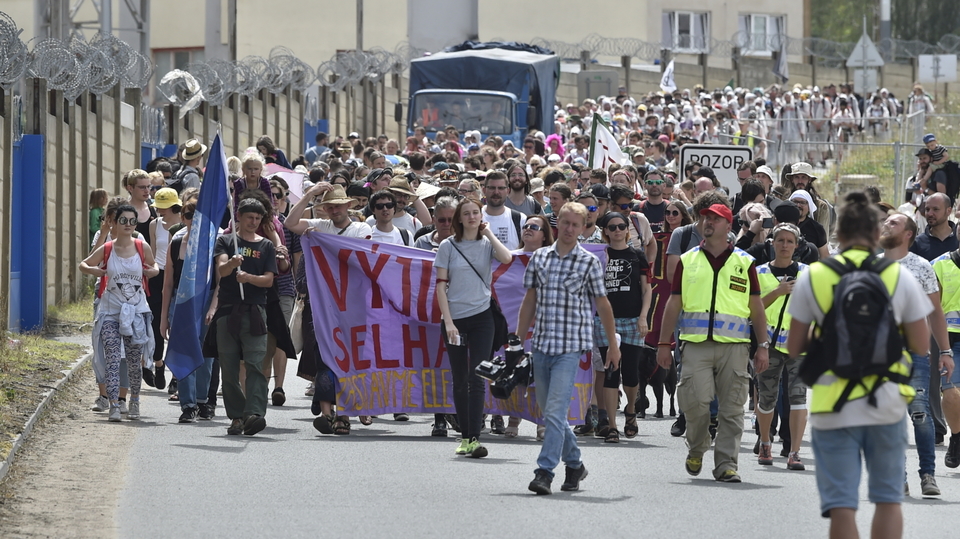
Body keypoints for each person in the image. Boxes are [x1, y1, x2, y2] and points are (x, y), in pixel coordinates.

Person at [787, 191, 930, 539]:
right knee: (888, 500)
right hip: (887, 400)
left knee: (842, 507)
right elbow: (921, 343)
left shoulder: (815, 275)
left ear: (838, 234)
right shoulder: (899, 276)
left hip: (832, 405)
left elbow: (794, 347)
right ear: (873, 233)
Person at [656, 202, 769, 483]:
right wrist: (662, 343)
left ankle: (726, 465)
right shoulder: (688, 260)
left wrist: (763, 345)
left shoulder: (744, 262)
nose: (708, 222)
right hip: (695, 344)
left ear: (728, 226)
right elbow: (674, 302)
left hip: (735, 346)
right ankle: (697, 446)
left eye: (715, 219)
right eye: (705, 218)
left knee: (732, 408)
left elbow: (756, 306)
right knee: (694, 403)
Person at [516, 203, 621, 495]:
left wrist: (613, 344)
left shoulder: (588, 262)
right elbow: (529, 302)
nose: (570, 229)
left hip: (571, 347)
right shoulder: (539, 258)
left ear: (583, 227)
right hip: (542, 345)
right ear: (556, 224)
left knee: (554, 409)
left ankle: (544, 471)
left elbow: (603, 304)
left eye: (576, 225)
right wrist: (517, 339)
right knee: (551, 413)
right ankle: (574, 464)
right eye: (566, 223)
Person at [286, 183, 373, 435]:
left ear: (348, 206)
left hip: (353, 305)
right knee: (325, 357)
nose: (334, 210)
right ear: (324, 209)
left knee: (350, 358)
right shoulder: (320, 227)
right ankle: (329, 414)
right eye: (329, 206)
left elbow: (359, 258)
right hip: (322, 303)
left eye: (338, 205)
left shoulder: (361, 228)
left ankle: (346, 411)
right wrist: (310, 195)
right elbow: (291, 224)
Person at [435, 196, 512, 458]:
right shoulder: (447, 245)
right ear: (459, 218)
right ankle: (465, 436)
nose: (471, 217)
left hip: (482, 318)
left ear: (481, 216)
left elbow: (507, 257)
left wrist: (488, 232)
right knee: (459, 380)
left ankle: (474, 439)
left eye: (475, 213)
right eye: (466, 213)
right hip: (455, 319)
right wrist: (448, 322)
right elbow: (440, 285)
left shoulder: (486, 244)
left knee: (478, 377)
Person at [883, 212, 953, 496]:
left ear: (908, 234)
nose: (886, 225)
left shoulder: (921, 267)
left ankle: (927, 474)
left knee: (921, 413)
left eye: (893, 223)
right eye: (885, 223)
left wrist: (945, 351)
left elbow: (936, 313)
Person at [80, 204, 159, 422]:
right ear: (114, 223)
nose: (128, 225)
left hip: (135, 313)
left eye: (132, 221)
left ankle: (134, 400)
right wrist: (95, 270)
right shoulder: (107, 249)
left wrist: (151, 271)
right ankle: (114, 404)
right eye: (123, 220)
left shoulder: (142, 247)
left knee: (134, 361)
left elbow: (155, 267)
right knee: (113, 359)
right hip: (110, 311)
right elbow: (83, 264)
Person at [212, 198, 278, 436]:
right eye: (250, 217)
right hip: (228, 311)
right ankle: (237, 416)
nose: (254, 222)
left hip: (255, 311)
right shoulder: (226, 241)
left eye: (258, 219)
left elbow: (269, 280)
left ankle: (254, 413)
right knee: (228, 368)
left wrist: (249, 278)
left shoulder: (266, 246)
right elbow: (221, 269)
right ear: (238, 216)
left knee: (255, 364)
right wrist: (232, 263)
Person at [159, 192, 217, 422]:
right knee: (183, 350)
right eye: (188, 214)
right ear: (182, 217)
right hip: (181, 304)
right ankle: (188, 404)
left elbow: (220, 282)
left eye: (197, 215)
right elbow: (168, 283)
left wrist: (213, 307)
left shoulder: (213, 244)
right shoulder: (175, 244)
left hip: (205, 302)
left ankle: (203, 401)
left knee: (206, 354)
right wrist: (164, 318)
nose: (193, 219)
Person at [754, 223, 809, 470]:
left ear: (797, 246)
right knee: (767, 399)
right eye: (780, 241)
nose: (785, 245)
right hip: (769, 346)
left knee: (798, 398)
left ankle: (794, 451)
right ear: (772, 243)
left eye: (790, 241)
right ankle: (765, 441)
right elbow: (751, 309)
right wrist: (777, 291)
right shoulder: (759, 272)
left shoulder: (809, 274)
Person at [595, 212, 651, 443]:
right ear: (605, 231)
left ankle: (630, 409)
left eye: (621, 226)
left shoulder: (637, 255)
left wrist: (643, 317)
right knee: (610, 371)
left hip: (632, 320)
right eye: (612, 227)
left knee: (629, 372)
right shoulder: (599, 255)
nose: (617, 230)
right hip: (605, 321)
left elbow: (647, 290)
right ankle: (611, 425)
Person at [482, 172, 526, 250]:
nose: (496, 192)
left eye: (501, 188)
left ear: (508, 191)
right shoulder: (474, 217)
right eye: (492, 188)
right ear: (484, 190)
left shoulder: (519, 219)